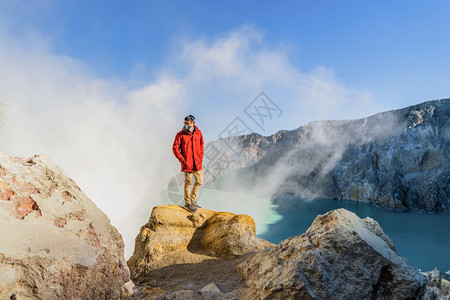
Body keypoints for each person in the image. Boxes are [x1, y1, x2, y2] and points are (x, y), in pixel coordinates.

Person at [172, 115, 204, 212]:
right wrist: (182, 160)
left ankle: (193, 199)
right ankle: (188, 203)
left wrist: (200, 157)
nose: (186, 124)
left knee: (199, 181)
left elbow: (201, 146)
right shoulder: (180, 135)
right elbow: (175, 148)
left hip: (197, 163)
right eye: (185, 123)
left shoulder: (198, 133)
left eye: (188, 123)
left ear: (193, 123)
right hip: (187, 163)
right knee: (188, 182)